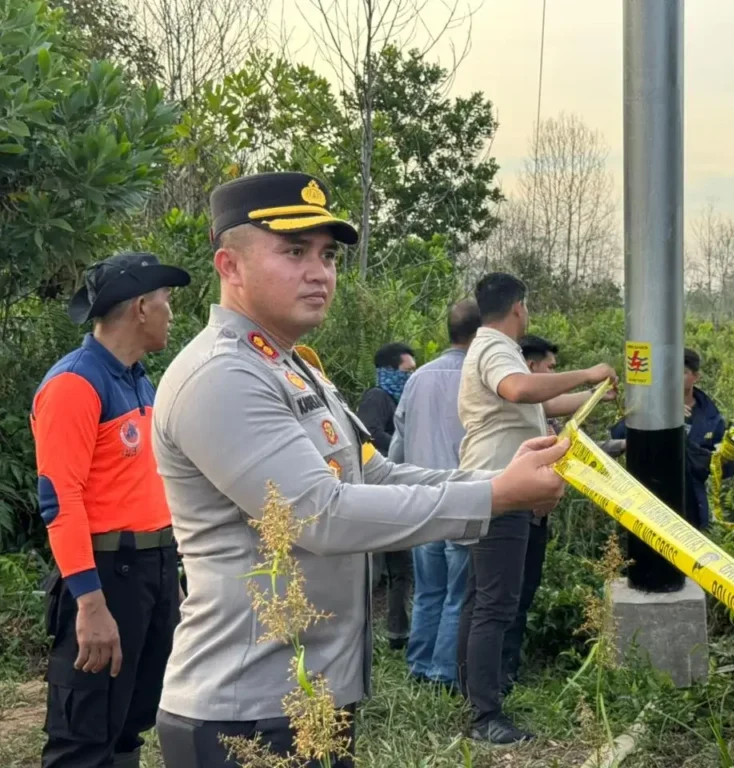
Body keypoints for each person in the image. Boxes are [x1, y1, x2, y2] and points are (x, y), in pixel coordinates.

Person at [150, 172, 569, 768]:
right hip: (246, 712)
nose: (319, 272)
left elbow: (374, 476)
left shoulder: (296, 370)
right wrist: (496, 497)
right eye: (294, 252)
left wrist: (492, 483)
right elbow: (320, 515)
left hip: (305, 697)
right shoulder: (223, 376)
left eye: (327, 255)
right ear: (230, 266)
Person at [31, 252, 191, 768]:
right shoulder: (76, 384)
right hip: (104, 575)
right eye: (167, 302)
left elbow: (143, 483)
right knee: (85, 732)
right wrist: (90, 605)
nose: (172, 313)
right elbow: (61, 501)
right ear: (141, 308)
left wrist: (172, 573)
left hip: (152, 570)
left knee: (129, 720)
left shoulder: (139, 380)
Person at [456, 272, 617, 745]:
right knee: (495, 604)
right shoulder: (494, 349)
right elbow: (522, 391)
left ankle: (473, 692)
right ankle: (484, 715)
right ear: (519, 307)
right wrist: (589, 372)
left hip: (496, 485)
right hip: (500, 488)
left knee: (481, 598)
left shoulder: (491, 349)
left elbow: (539, 402)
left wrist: (591, 397)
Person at [389, 299, 481, 692]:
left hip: (421, 502)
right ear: (482, 334)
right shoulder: (482, 379)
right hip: (463, 500)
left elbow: (399, 443)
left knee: (429, 590)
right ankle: (444, 674)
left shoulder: (419, 378)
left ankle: (419, 664)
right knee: (458, 595)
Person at [610, 348, 734, 528]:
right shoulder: (648, 403)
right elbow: (619, 433)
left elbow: (724, 471)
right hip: (650, 496)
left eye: (682, 373)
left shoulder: (711, 417)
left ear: (695, 376)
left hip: (691, 503)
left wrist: (730, 455)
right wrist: (659, 412)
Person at [359, 342, 417, 650]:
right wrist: (403, 443)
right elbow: (368, 433)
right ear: (388, 371)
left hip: (394, 492)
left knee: (400, 568)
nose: (411, 377)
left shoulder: (398, 402)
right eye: (407, 371)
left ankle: (397, 634)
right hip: (377, 494)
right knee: (375, 570)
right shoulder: (377, 397)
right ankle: (359, 632)